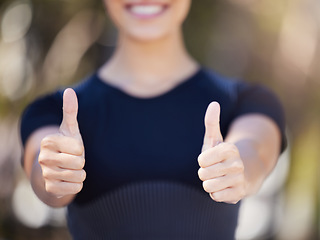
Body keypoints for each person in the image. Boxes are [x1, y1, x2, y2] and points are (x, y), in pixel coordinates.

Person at [20, 0, 286, 239]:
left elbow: (255, 150)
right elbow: (41, 169)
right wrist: (54, 174)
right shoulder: (53, 111)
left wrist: (238, 168)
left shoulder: (248, 101)